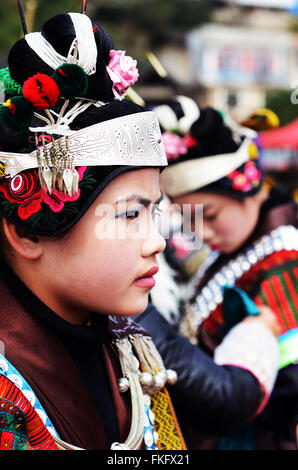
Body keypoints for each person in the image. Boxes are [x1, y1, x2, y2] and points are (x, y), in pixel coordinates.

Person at [0, 11, 188, 451]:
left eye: (152, 211)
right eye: (128, 215)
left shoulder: (133, 350)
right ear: (28, 234)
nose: (157, 240)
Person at [149, 96, 297, 449]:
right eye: (190, 221)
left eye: (210, 215)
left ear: (246, 187)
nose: (201, 233)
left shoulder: (286, 257)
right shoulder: (233, 253)